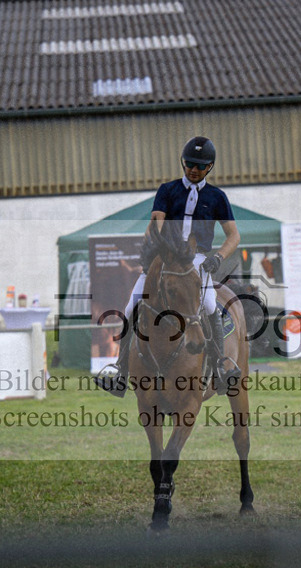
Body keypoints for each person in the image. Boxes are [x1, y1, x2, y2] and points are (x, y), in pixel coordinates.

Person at [96, 136, 241, 397]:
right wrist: (154, 255)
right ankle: (120, 372)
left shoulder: (217, 197)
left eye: (200, 166)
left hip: (197, 259)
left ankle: (220, 367)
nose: (193, 170)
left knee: (209, 304)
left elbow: (234, 236)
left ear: (210, 167)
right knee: (131, 305)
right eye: (189, 164)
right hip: (166, 257)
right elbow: (156, 224)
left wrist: (218, 257)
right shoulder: (168, 190)